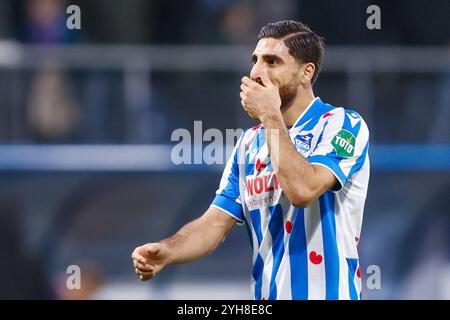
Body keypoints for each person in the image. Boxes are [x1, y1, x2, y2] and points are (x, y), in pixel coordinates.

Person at [131, 20, 370, 300]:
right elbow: (214, 225)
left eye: (272, 62)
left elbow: (303, 190)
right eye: (255, 60)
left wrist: (270, 116)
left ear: (306, 72)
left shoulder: (341, 124)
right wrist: (169, 250)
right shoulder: (249, 143)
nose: (256, 73)